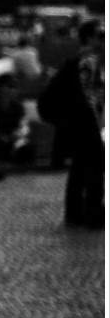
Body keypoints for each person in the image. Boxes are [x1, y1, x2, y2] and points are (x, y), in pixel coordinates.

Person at [37, 19, 105, 229]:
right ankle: (93, 213)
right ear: (89, 39)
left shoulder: (82, 60)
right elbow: (91, 97)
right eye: (101, 36)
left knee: (80, 165)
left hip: (75, 122)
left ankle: (75, 213)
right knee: (94, 166)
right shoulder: (88, 61)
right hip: (83, 122)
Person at [0, 73, 35, 165]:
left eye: (15, 87)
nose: (13, 90)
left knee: (24, 145)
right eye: (10, 86)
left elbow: (24, 126)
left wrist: (19, 133)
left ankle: (17, 154)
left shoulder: (18, 106)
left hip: (14, 140)